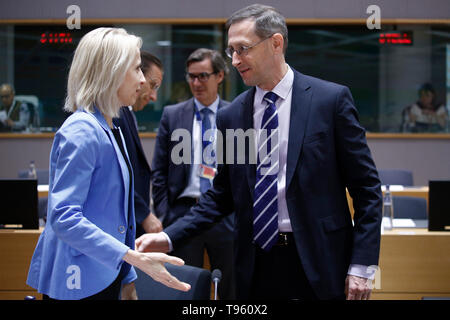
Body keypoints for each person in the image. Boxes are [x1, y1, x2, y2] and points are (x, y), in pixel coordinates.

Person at [136, 4, 382, 301]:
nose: (236, 60)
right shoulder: (233, 115)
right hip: (255, 262)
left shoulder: (330, 101)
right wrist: (168, 236)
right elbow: (222, 194)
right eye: (231, 51)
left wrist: (363, 265)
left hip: (320, 257)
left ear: (276, 43)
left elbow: (366, 189)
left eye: (243, 49)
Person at [26, 27, 190, 300]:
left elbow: (119, 217)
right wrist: (131, 258)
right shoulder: (82, 130)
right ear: (111, 72)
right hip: (78, 281)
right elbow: (64, 218)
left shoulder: (110, 128)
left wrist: (127, 276)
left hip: (106, 272)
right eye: (136, 69)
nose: (142, 80)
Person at [151, 48, 236, 299]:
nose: (196, 83)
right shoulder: (172, 115)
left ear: (220, 76)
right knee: (184, 288)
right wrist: (166, 216)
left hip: (225, 216)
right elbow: (159, 171)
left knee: (229, 287)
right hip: (184, 215)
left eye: (203, 76)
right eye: (191, 77)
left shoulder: (236, 114)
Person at [113, 51, 164, 238]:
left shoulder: (127, 112)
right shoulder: (113, 113)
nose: (153, 96)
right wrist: (144, 214)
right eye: (153, 86)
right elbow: (118, 173)